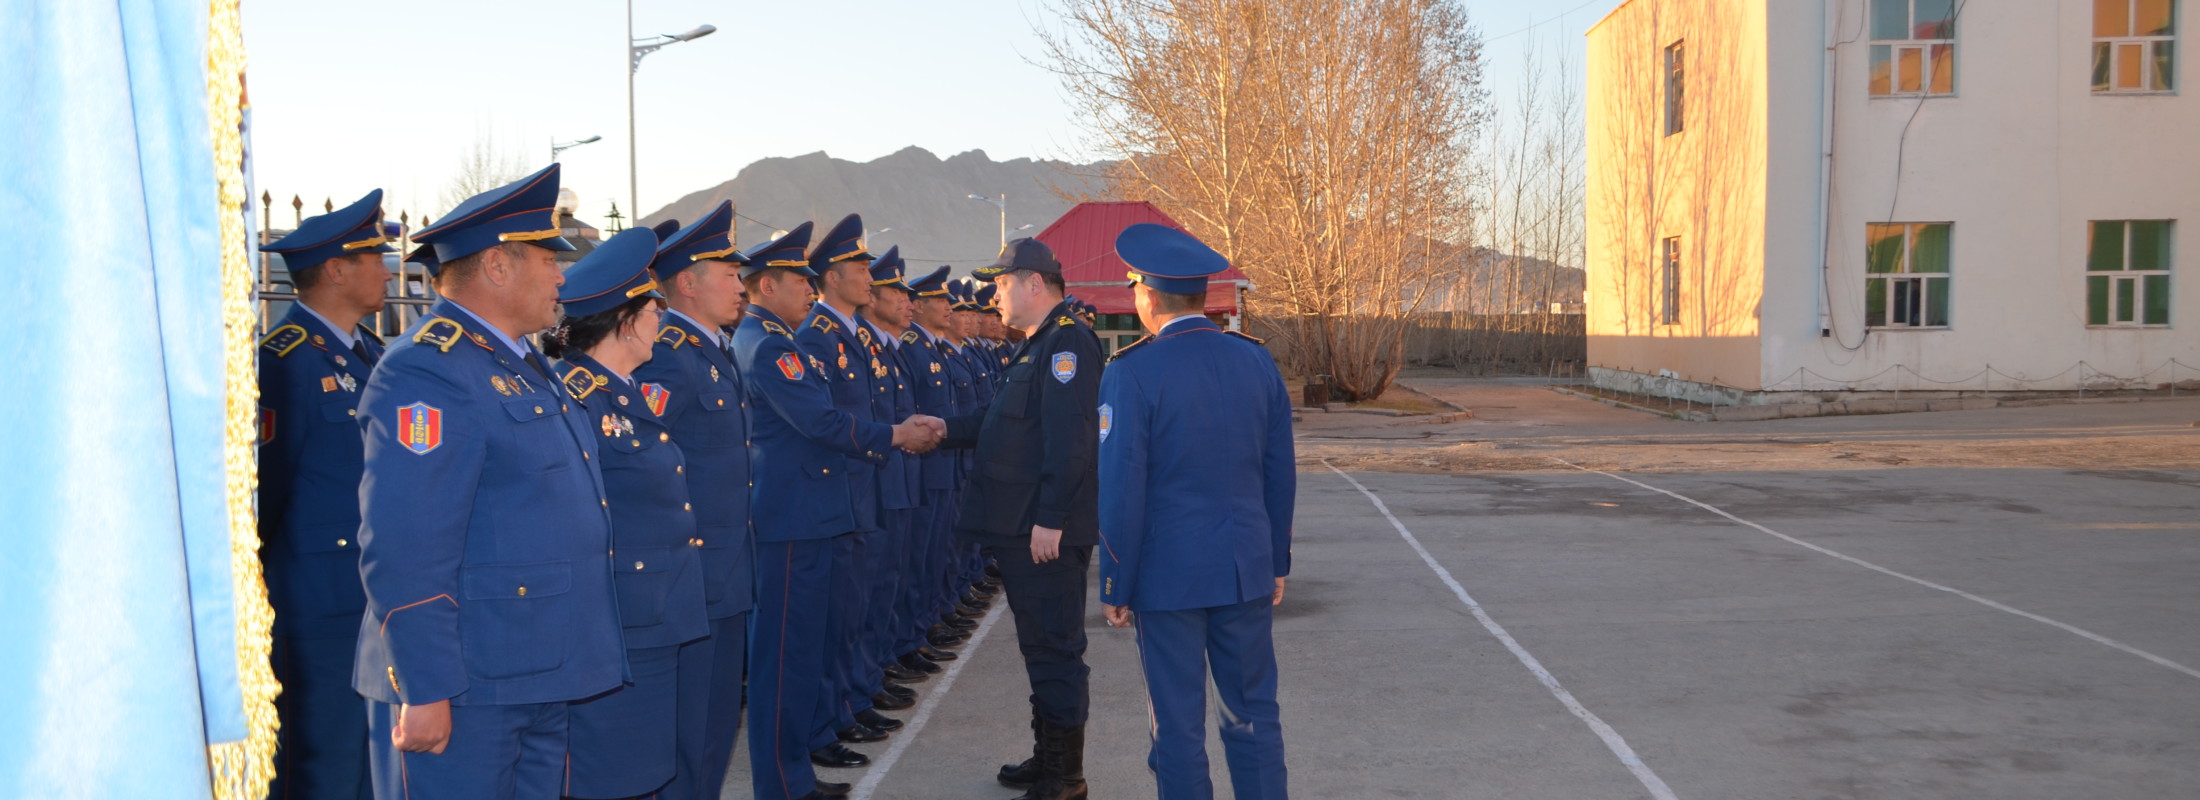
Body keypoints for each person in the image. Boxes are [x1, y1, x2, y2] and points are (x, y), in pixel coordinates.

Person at [352, 163, 627, 799]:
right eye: (548, 258)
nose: (562, 274)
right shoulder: (428, 371)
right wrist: (425, 685)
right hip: (466, 684)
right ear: (499, 267)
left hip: (536, 668)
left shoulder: (525, 364)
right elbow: (404, 540)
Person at [732, 221, 943, 800]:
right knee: (787, 657)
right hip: (794, 515)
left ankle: (795, 772)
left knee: (807, 646)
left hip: (811, 509)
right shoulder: (770, 343)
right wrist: (897, 436)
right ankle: (784, 782)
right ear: (767, 286)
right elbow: (821, 422)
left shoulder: (779, 338)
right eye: (798, 279)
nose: (807, 289)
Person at [1097, 224, 1296, 799]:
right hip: (1245, 568)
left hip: (1168, 578)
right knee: (1253, 715)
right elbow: (1278, 473)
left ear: (1147, 296)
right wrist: (1275, 560)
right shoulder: (1256, 362)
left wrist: (1116, 578)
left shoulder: (1131, 370)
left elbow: (1121, 488)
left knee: (1178, 726)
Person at [545, 226, 712, 800]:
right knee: (616, 774)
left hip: (659, 610)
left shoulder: (624, 390)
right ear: (627, 318)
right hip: (621, 618)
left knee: (650, 766)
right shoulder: (576, 396)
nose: (661, 320)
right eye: (654, 307)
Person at [940, 238, 1102, 800]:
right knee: (1039, 645)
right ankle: (1047, 757)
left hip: (1042, 528)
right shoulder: (1035, 345)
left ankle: (1066, 777)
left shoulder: (1066, 345)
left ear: (1035, 284)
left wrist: (1052, 517)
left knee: (1056, 648)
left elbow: (1071, 439)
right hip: (1022, 524)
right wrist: (939, 430)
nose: (993, 294)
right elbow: (998, 422)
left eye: (1001, 283)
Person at [256, 188, 394, 800]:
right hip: (317, 607)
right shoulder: (283, 362)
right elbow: (266, 496)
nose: (386, 270)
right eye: (373, 258)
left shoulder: (371, 353)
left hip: (369, 600)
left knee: (370, 769)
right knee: (327, 770)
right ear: (336, 270)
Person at [630, 201, 759, 800]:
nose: (742, 285)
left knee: (713, 725)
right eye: (731, 274)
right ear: (687, 281)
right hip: (692, 574)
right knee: (688, 730)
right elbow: (645, 469)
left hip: (726, 568)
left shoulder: (714, 349)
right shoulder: (668, 354)